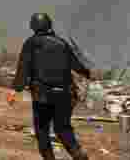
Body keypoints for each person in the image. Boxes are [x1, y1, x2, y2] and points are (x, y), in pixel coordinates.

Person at [11, 12, 91, 160]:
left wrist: (16, 90)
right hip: (65, 95)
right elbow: (78, 66)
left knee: (42, 131)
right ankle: (78, 155)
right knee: (63, 129)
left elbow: (23, 68)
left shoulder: (31, 43)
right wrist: (87, 75)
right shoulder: (62, 43)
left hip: (42, 96)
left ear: (33, 26)